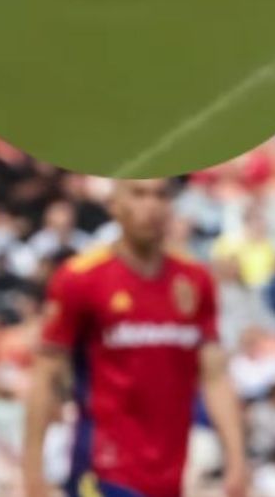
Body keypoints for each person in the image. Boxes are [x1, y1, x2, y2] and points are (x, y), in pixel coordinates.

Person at [22, 178, 248, 497]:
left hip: (170, 472)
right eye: (138, 194)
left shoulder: (195, 280)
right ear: (115, 205)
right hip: (102, 468)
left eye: (160, 195)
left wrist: (237, 459)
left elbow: (214, 375)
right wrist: (32, 472)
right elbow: (46, 375)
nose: (150, 206)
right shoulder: (80, 278)